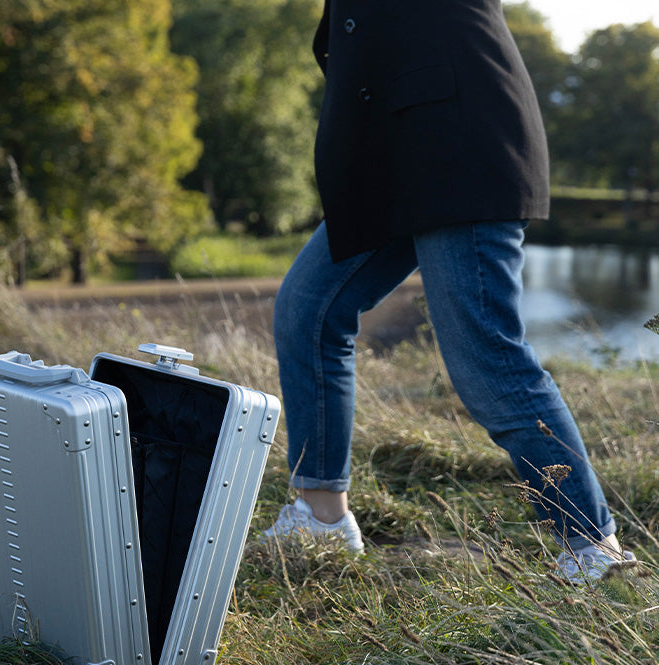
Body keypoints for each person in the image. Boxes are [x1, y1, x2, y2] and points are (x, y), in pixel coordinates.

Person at [263, 0, 634, 582]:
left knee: (484, 357)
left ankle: (592, 549)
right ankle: (320, 514)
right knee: (309, 308)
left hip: (459, 142)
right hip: (391, 156)